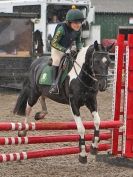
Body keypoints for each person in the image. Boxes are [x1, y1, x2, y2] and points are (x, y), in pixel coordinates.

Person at [49, 7, 84, 94]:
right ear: (69, 22)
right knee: (57, 60)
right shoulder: (61, 29)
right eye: (75, 23)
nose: (78, 25)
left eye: (80, 22)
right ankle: (54, 84)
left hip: (69, 48)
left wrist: (81, 50)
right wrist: (64, 50)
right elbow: (53, 43)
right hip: (57, 48)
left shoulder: (78, 29)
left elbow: (79, 42)